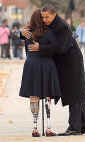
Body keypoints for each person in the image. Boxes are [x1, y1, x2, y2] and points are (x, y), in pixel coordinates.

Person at [21, 4, 85, 136]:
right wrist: (22, 33)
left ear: (54, 14)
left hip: (71, 62)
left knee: (74, 93)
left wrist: (40, 48)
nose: (44, 20)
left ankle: (75, 127)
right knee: (77, 93)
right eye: (42, 17)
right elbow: (35, 33)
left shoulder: (61, 27)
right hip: (66, 62)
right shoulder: (51, 24)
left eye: (47, 17)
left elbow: (61, 48)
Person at [19, 9, 61, 137]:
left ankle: (35, 127)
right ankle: (48, 127)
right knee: (47, 95)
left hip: (31, 64)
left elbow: (21, 36)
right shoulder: (49, 32)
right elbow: (55, 48)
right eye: (42, 17)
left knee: (34, 95)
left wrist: (21, 33)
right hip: (46, 65)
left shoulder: (26, 32)